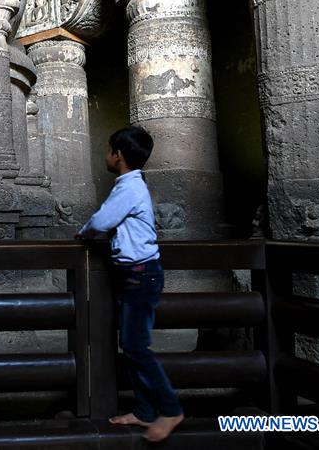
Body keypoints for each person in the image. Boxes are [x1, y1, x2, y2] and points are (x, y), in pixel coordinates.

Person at [77, 126, 184, 442]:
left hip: (141, 274)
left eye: (109, 149)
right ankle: (145, 411)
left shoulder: (129, 188)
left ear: (118, 154)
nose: (106, 155)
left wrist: (84, 233)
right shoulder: (130, 184)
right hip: (136, 274)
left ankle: (171, 408)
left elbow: (101, 221)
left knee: (137, 346)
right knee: (133, 345)